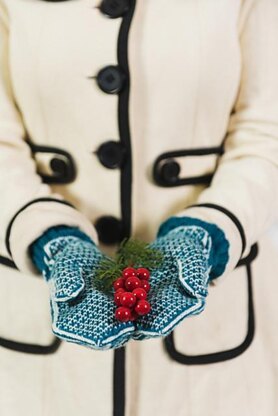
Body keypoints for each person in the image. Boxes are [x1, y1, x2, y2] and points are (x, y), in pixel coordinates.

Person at [0, 0, 277, 415]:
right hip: (36, 340)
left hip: (212, 346)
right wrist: (46, 234)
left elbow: (266, 131)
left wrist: (210, 233)